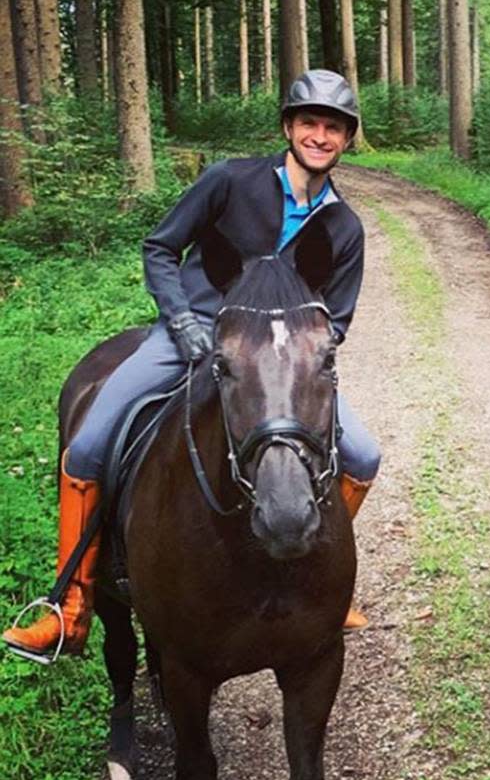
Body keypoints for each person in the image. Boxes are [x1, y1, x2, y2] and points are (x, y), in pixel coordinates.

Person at [4, 69, 379, 660]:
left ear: (347, 139)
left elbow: (338, 318)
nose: (320, 135)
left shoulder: (344, 227)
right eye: (309, 121)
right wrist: (181, 321)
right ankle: (68, 608)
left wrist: (300, 356)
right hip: (191, 336)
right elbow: (159, 246)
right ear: (288, 126)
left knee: (363, 454)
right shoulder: (229, 180)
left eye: (333, 127)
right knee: (90, 443)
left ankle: (322, 581)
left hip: (273, 366)